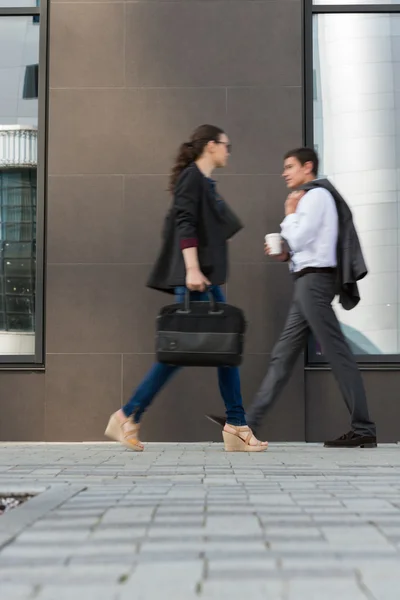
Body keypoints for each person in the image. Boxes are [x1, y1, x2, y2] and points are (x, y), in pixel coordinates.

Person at [105, 124, 268, 453]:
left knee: (224, 350)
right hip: (195, 277)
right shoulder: (191, 179)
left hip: (205, 277)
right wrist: (192, 267)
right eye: (226, 145)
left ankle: (236, 424)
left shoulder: (204, 182)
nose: (228, 151)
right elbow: (185, 224)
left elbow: (220, 227)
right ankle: (127, 414)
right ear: (210, 146)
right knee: (177, 354)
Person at [206, 147, 377, 449]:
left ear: (307, 166)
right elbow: (304, 244)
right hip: (307, 282)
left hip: (314, 283)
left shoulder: (314, 196)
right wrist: (286, 252)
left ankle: (364, 428)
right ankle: (246, 423)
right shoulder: (313, 197)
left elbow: (299, 237)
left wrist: (288, 217)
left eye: (289, 166)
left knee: (337, 354)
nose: (285, 172)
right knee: (282, 357)